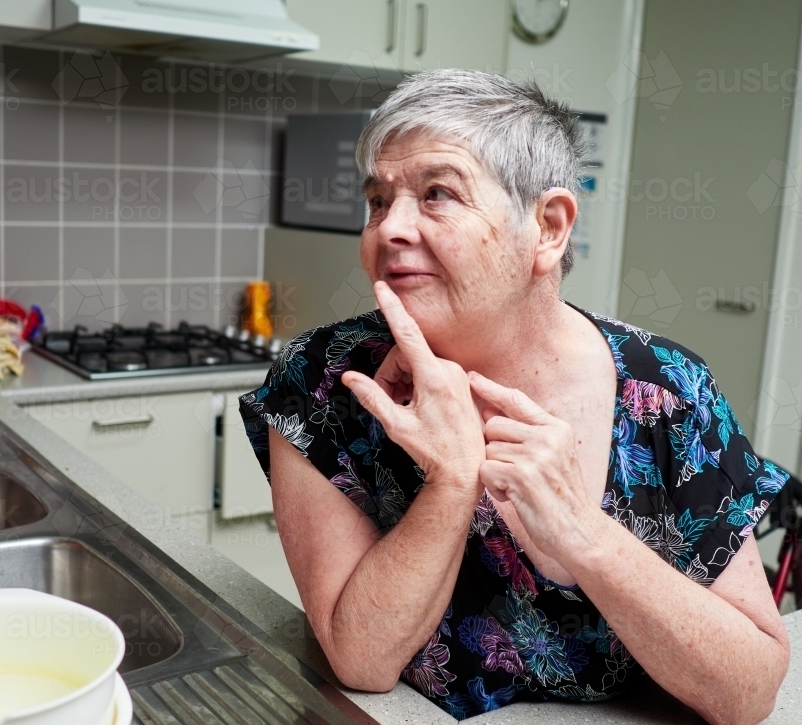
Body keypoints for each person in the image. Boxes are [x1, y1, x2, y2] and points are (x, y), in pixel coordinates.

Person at [240, 70, 790, 724]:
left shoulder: (671, 394)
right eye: (378, 202)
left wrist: (580, 530)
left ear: (549, 228)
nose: (389, 228)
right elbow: (362, 660)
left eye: (437, 193)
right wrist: (451, 481)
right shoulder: (325, 382)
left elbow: (748, 693)